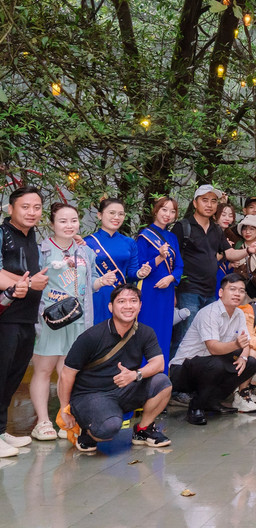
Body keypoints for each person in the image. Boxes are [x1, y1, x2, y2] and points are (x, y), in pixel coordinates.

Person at [58, 283, 172, 453]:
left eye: (133, 301)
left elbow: (158, 364)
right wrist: (64, 408)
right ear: (111, 307)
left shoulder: (145, 332)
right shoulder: (91, 336)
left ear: (140, 306)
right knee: (108, 428)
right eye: (121, 301)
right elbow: (67, 374)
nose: (128, 306)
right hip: (91, 395)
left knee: (162, 382)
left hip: (124, 390)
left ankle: (143, 430)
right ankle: (88, 432)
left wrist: (135, 374)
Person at [29, 203, 101, 441]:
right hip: (51, 319)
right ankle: (42, 421)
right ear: (51, 224)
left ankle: (65, 417)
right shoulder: (42, 251)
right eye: (63, 221)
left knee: (68, 370)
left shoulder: (85, 251)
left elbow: (91, 282)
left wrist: (102, 281)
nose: (69, 225)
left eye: (73, 220)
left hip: (77, 320)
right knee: (43, 369)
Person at [172, 184, 253, 352]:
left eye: (213, 201)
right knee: (185, 337)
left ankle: (198, 375)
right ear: (195, 203)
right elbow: (171, 260)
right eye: (205, 200)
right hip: (188, 291)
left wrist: (248, 250)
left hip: (210, 292)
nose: (209, 205)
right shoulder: (183, 227)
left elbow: (229, 253)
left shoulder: (216, 229)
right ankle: (176, 373)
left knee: (208, 338)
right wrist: (172, 291)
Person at [169, 273, 256, 425]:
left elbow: (246, 343)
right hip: (183, 370)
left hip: (210, 364)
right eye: (232, 289)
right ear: (221, 292)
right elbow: (213, 348)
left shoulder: (239, 314)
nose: (237, 294)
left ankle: (211, 401)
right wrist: (237, 345)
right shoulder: (210, 313)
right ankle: (196, 407)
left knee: (250, 363)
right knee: (217, 364)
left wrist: (243, 357)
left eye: (241, 291)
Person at [0, 187, 48, 457]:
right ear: (11, 209)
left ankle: (1, 429)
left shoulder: (32, 238)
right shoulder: (2, 233)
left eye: (37, 207)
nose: (32, 212)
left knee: (12, 377)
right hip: (4, 317)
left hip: (27, 319)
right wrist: (29, 283)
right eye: (25, 206)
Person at [135, 197, 183, 367]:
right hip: (149, 290)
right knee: (147, 330)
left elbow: (179, 266)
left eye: (172, 211)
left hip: (167, 291)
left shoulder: (172, 238)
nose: (168, 214)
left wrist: (171, 278)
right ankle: (143, 371)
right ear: (155, 210)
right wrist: (160, 257)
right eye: (164, 209)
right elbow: (139, 268)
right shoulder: (144, 236)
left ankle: (161, 374)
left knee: (164, 332)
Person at [85, 197, 138, 324]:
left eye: (121, 214)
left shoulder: (129, 242)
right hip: (96, 296)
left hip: (121, 297)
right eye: (112, 213)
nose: (116, 217)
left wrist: (140, 273)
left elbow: (132, 274)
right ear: (99, 215)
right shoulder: (87, 242)